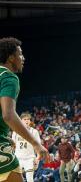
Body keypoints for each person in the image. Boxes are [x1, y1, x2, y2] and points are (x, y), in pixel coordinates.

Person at [0, 37, 48, 182]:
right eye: (20, 54)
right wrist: (36, 144)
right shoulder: (8, 77)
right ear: (10, 58)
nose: (23, 58)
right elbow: (8, 115)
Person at [12, 112, 41, 182]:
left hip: (30, 158)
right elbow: (12, 146)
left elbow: (39, 146)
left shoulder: (34, 132)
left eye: (28, 119)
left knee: (30, 179)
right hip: (18, 158)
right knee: (16, 179)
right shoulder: (15, 131)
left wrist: (38, 158)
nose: (27, 121)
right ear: (21, 120)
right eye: (25, 119)